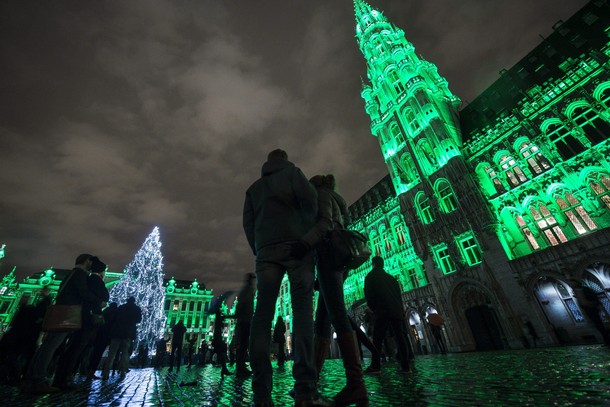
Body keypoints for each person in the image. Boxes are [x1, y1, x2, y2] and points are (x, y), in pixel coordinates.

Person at [243, 148, 330, 407]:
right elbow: (311, 201)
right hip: (297, 248)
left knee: (262, 316)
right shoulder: (293, 173)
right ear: (285, 158)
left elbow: (248, 225)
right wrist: (304, 233)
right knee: (303, 313)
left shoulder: (254, 189)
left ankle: (261, 390)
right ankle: (305, 387)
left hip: (266, 252)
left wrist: (259, 249)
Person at [299, 174, 368, 406]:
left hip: (328, 257)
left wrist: (305, 243)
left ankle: (356, 384)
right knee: (323, 319)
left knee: (337, 315)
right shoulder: (338, 198)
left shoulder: (321, 196)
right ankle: (312, 381)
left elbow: (325, 223)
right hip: (339, 259)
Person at [25, 254, 105, 393]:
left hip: (62, 311)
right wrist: (98, 301)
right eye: (90, 262)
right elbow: (83, 292)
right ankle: (38, 380)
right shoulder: (80, 274)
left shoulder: (72, 273)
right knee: (51, 346)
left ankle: (32, 377)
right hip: (66, 314)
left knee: (48, 346)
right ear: (86, 261)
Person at [53, 257, 110, 389]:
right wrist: (99, 301)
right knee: (77, 347)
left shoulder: (86, 278)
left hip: (80, 317)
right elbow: (105, 296)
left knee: (74, 347)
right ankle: (64, 378)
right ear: (102, 271)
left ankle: (64, 376)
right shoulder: (95, 280)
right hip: (88, 319)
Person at [363, 256, 413, 375]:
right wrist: (400, 311)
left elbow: (369, 296)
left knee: (377, 339)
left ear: (373, 264)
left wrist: (374, 308)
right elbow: (398, 296)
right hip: (396, 311)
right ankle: (406, 366)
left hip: (382, 310)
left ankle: (376, 366)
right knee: (400, 338)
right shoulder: (392, 278)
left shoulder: (370, 277)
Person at [102, 297, 142, 379]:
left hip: (117, 332)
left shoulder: (121, 307)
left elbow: (114, 318)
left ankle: (106, 371)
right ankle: (123, 370)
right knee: (125, 352)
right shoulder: (136, 309)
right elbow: (139, 320)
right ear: (134, 302)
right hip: (128, 333)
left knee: (112, 352)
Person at [569, 278, 610, 345]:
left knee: (599, 325)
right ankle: (606, 339)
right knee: (599, 325)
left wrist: (589, 304)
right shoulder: (583, 289)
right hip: (591, 309)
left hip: (590, 309)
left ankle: (607, 340)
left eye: (572, 283)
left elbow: (584, 302)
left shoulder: (581, 290)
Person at [87, 301, 118, 378]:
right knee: (99, 353)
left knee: (94, 353)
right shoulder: (115, 314)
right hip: (106, 336)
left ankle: (89, 370)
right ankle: (93, 371)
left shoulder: (105, 311)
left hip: (99, 334)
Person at [235, 272, 256, 377]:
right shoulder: (247, 290)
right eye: (253, 279)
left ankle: (240, 366)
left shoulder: (247, 290)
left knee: (244, 344)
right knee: (244, 344)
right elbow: (243, 304)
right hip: (245, 320)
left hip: (245, 319)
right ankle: (240, 367)